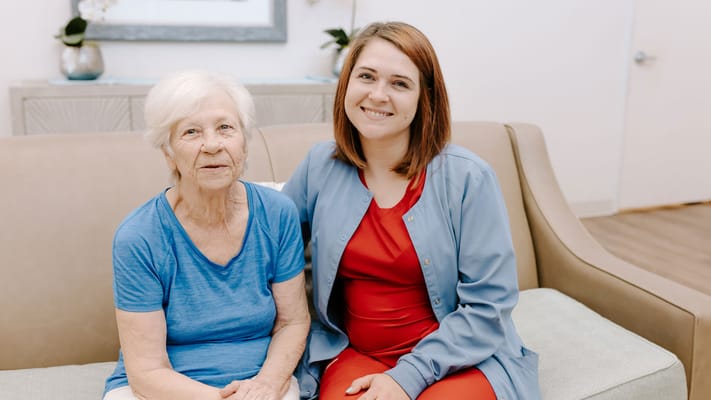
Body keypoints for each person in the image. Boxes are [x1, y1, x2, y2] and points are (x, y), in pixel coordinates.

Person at [282, 22, 540, 400]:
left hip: (460, 360)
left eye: (400, 83)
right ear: (346, 84)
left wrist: (409, 376)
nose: (378, 95)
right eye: (366, 76)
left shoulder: (468, 177)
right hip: (357, 355)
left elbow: (489, 307)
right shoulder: (318, 166)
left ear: (425, 98)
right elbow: (268, 249)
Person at [103, 70, 310, 400]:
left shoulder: (277, 214)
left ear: (244, 143)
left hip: (260, 384)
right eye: (191, 132)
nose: (212, 145)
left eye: (225, 128)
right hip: (164, 389)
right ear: (168, 152)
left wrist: (266, 385)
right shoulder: (139, 237)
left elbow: (292, 323)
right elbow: (146, 372)